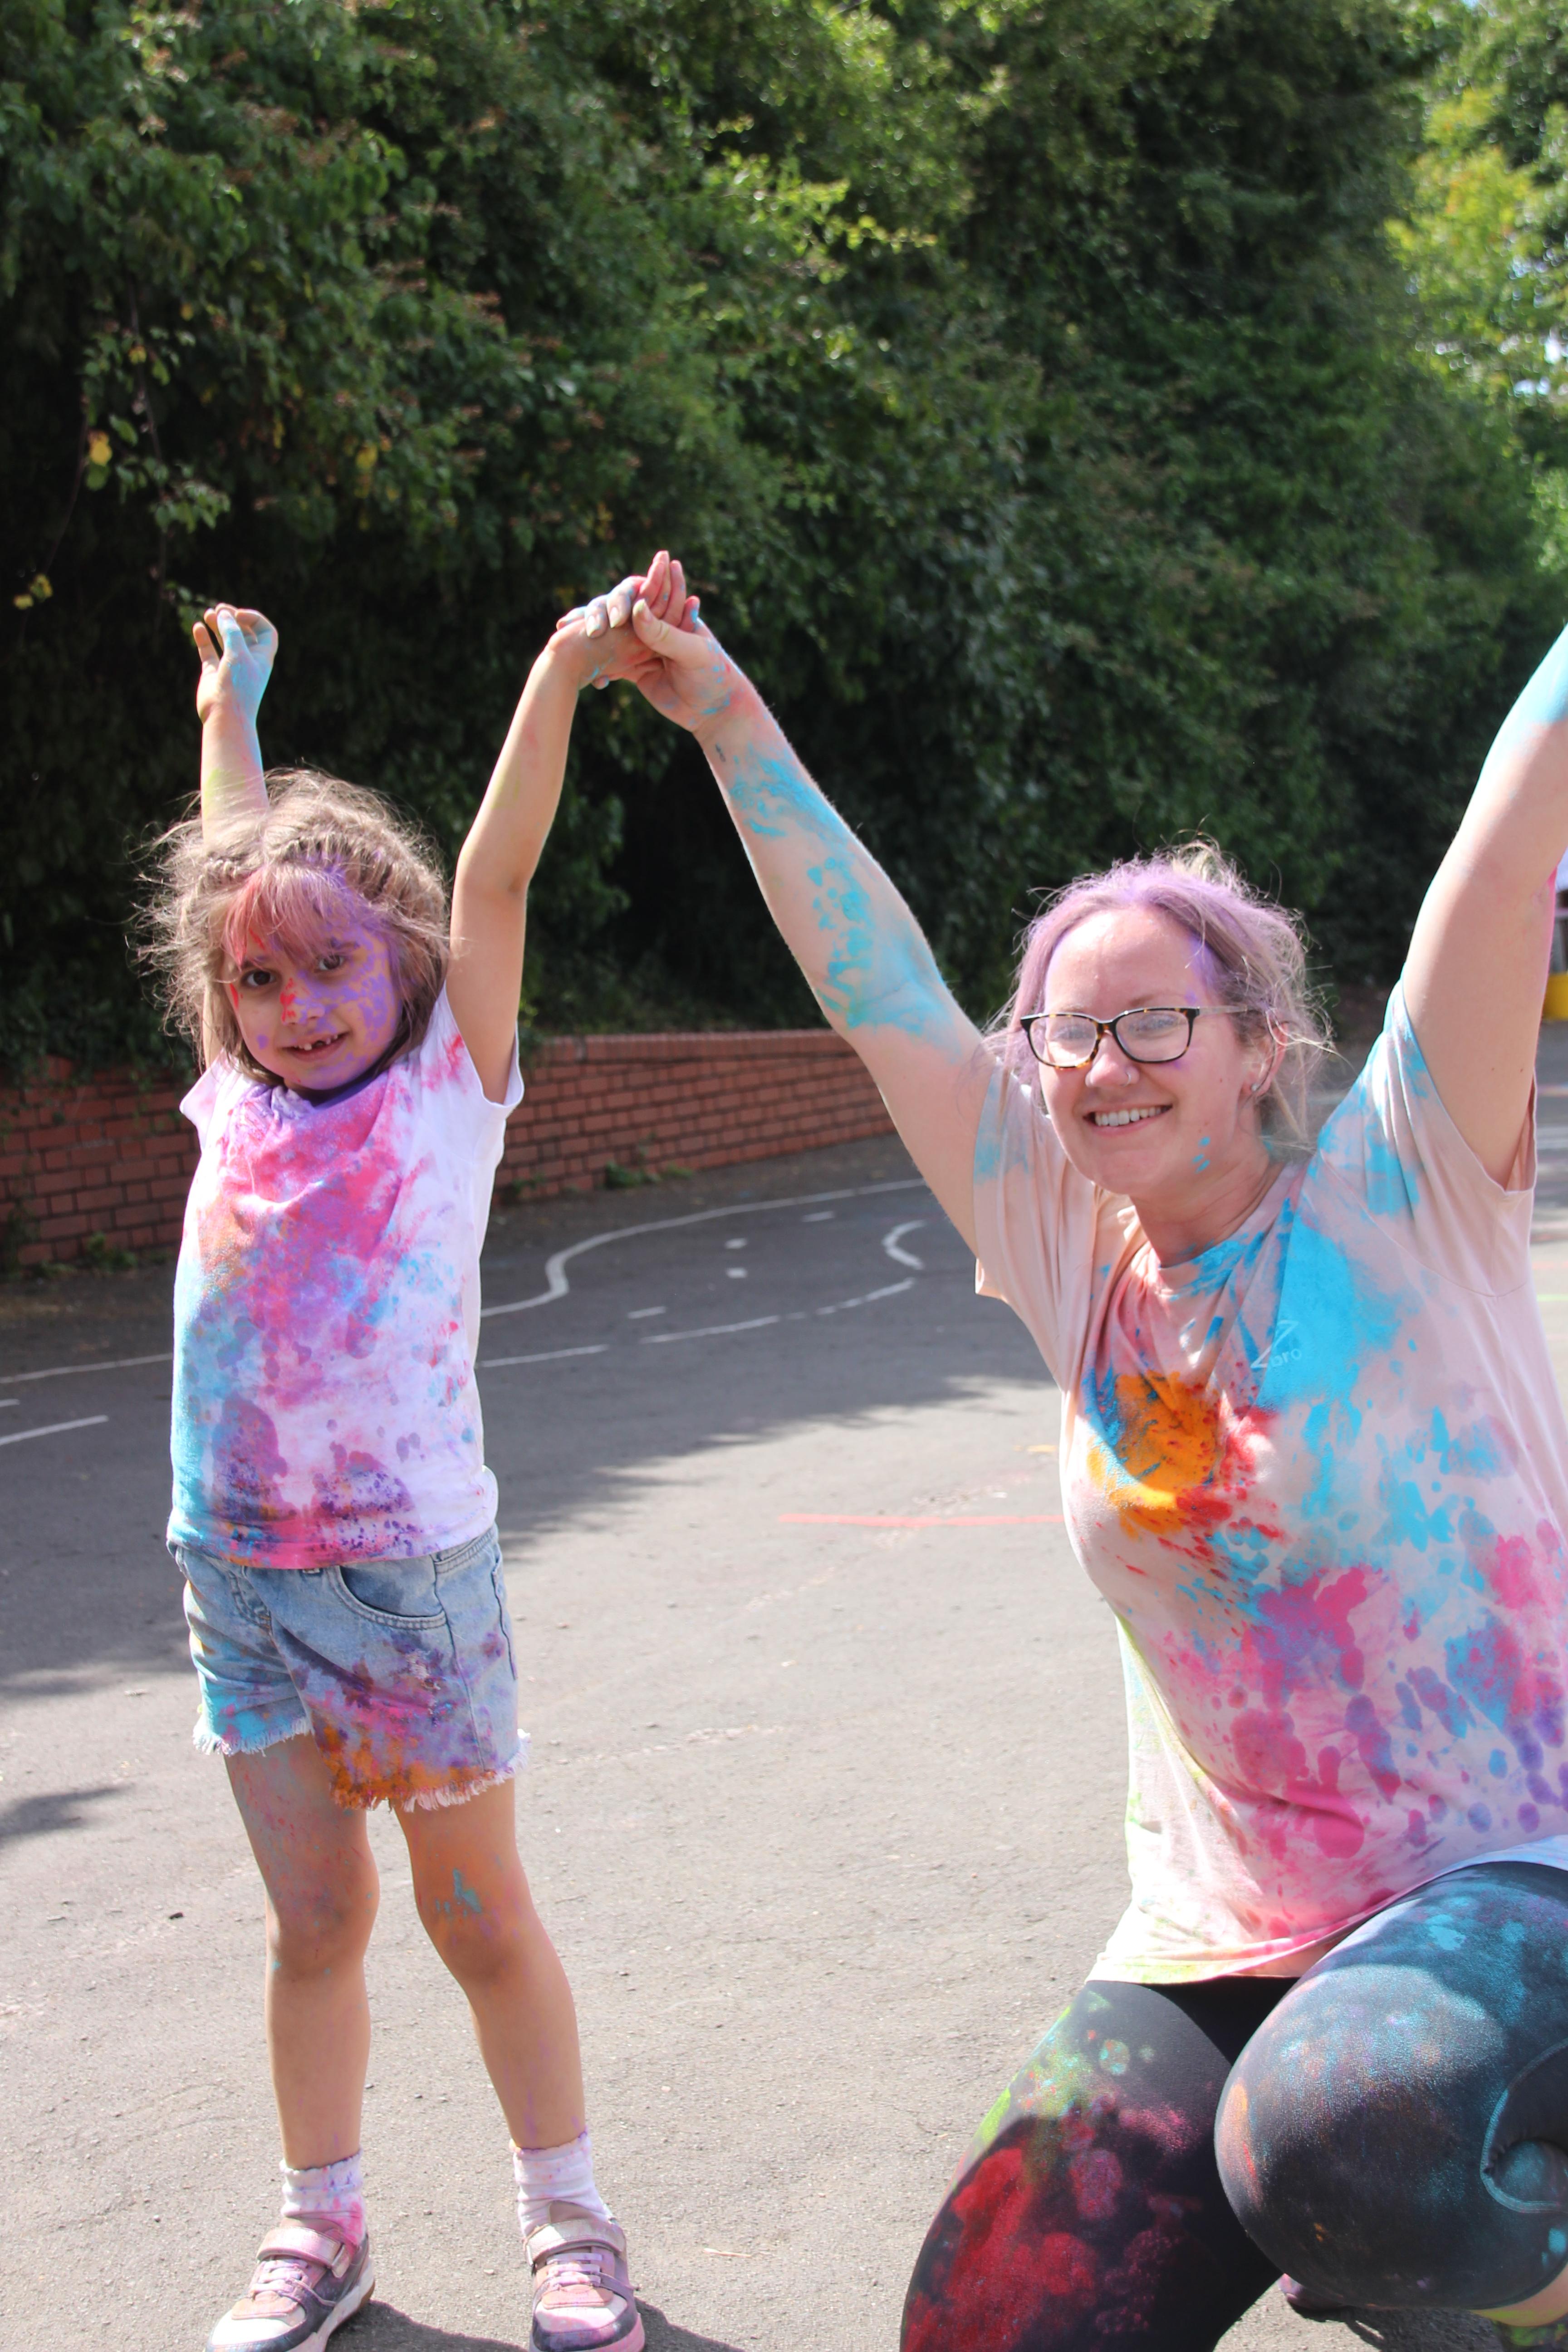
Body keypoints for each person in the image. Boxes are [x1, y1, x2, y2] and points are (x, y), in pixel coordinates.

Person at [568, 567, 1568, 2350]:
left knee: (1353, 2151)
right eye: (1066, 1031)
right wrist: (722, 712)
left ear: (1260, 1047)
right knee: (992, 2316)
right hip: (1228, 1932)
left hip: (1511, 1870)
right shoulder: (1069, 1249)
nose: (1107, 1063)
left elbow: (1503, 841)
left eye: (1157, 1020)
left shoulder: (1405, 1180)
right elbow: (877, 979)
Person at [147, 558, 696, 2352]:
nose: (298, 1003)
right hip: (238, 1580)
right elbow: (236, 856)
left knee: (478, 1921)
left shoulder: (449, 1084)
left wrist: (564, 665)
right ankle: (322, 2228)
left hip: (411, 1585)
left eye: (333, 966)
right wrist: (231, 705)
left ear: (403, 963)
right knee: (313, 1925)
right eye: (260, 980)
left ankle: (570, 2221)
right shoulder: (235, 1097)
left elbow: (499, 870)